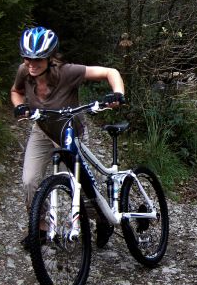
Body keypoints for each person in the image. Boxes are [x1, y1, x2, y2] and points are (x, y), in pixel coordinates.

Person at [10, 26, 125, 249]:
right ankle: (41, 229)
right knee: (30, 181)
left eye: (38, 59)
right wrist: (20, 107)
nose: (31, 64)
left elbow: (110, 72)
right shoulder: (24, 71)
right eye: (27, 58)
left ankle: (103, 219)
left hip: (70, 133)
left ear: (50, 57)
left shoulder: (68, 72)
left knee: (82, 188)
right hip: (42, 132)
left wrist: (118, 93)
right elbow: (16, 91)